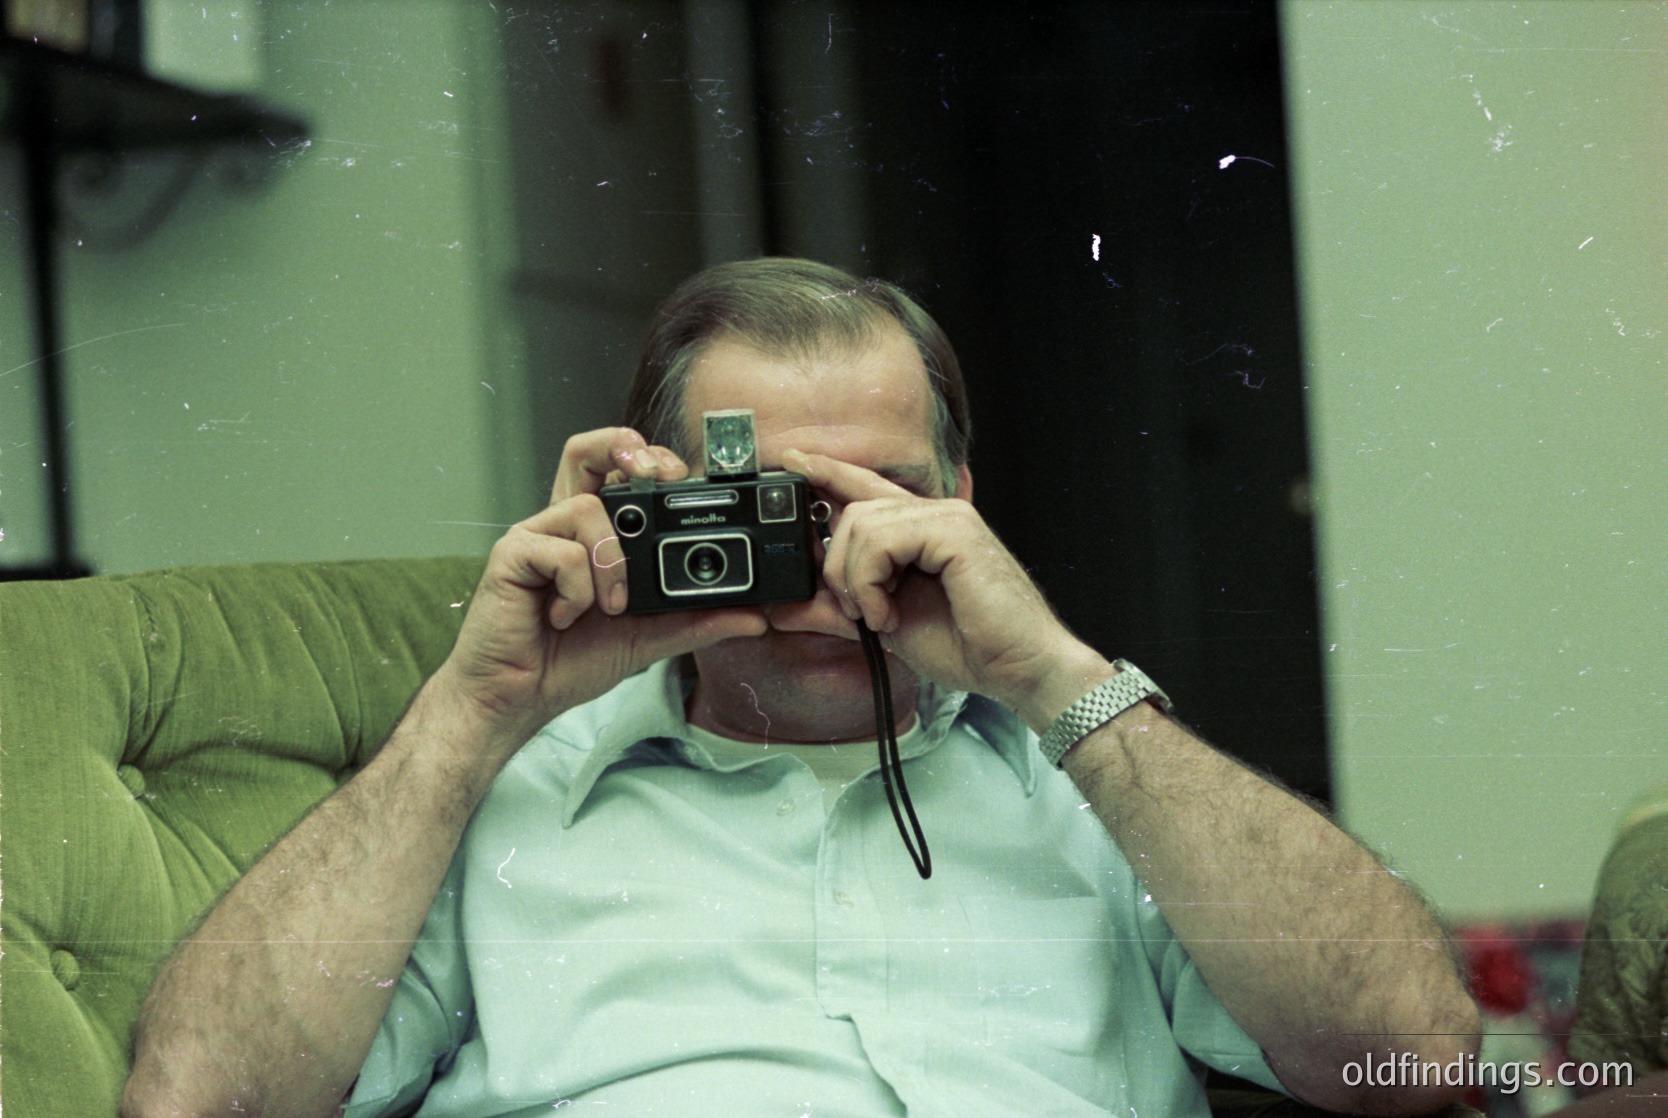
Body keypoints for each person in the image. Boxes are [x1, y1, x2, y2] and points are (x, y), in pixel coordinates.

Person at [121, 258, 1479, 1118]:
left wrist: (1056, 674)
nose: (829, 548)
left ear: (960, 501)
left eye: (872, 493)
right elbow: (193, 1101)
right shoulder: (503, 790)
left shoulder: (1095, 770)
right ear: (641, 502)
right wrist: (469, 717)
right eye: (764, 501)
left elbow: (1419, 1053)